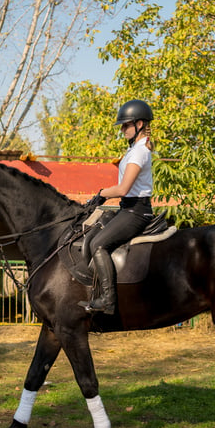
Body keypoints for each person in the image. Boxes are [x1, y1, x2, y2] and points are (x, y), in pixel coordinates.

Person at [79, 99, 155, 315]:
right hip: (127, 208)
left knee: (99, 245)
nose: (122, 129)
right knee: (92, 237)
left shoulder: (140, 152)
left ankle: (108, 301)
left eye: (126, 125)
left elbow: (123, 189)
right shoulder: (134, 150)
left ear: (139, 124)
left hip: (136, 211)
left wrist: (101, 194)